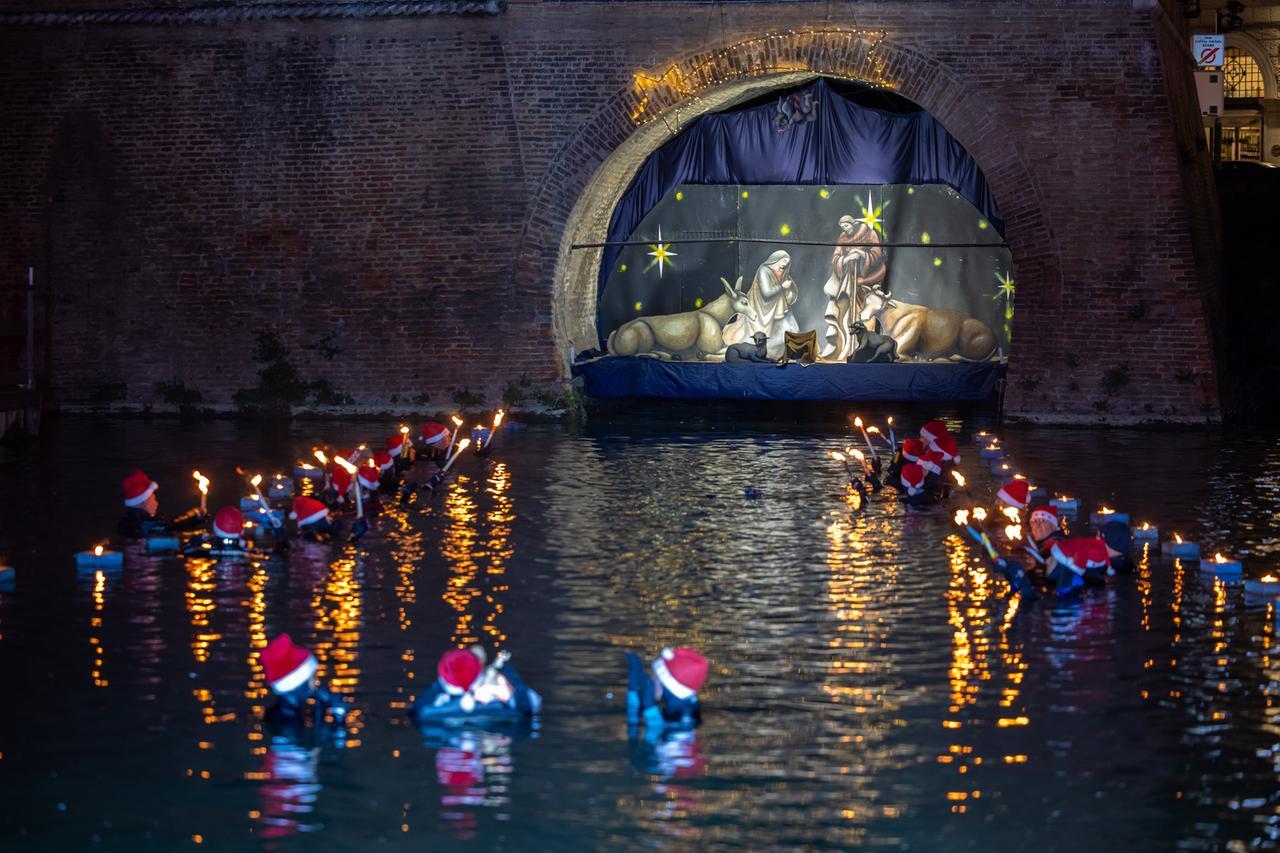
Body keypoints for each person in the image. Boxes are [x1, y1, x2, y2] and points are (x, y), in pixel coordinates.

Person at [410, 647, 542, 724]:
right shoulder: (500, 703)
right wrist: (507, 673)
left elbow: (415, 711)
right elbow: (532, 704)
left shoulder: (427, 710)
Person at [821, 214, 887, 360]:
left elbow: (877, 254)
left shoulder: (869, 233)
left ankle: (866, 349)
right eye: (842, 227)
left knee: (867, 313)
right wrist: (847, 259)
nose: (845, 229)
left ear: (853, 223)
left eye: (847, 226)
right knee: (846, 313)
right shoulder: (843, 238)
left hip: (868, 280)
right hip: (849, 280)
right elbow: (835, 257)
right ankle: (847, 346)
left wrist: (861, 254)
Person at [260, 633, 349, 727]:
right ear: (301, 683)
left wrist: (323, 708)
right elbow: (318, 740)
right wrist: (338, 717)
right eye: (313, 676)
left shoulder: (284, 712)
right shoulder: (286, 721)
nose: (316, 681)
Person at [625, 646, 707, 730]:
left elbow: (653, 740)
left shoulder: (681, 716)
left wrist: (650, 710)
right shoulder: (686, 704)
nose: (651, 678)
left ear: (665, 683)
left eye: (655, 675)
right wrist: (633, 693)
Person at [117, 469, 206, 539]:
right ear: (144, 502)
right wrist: (194, 515)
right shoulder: (142, 523)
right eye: (153, 499)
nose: (156, 503)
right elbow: (169, 527)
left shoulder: (127, 521)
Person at [742, 251, 798, 360]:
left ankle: (784, 355)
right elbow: (766, 294)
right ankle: (769, 354)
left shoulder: (782, 272)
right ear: (776, 259)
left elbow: (790, 291)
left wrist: (789, 288)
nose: (785, 264)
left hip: (780, 308)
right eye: (784, 260)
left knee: (793, 329)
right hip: (763, 310)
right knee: (772, 337)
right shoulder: (764, 270)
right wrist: (782, 286)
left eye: (788, 262)